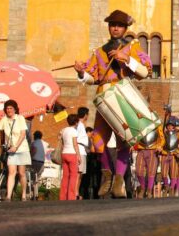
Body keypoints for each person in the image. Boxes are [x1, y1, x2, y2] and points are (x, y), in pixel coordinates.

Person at [73, 10, 152, 198]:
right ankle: (107, 176)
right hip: (104, 98)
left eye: (119, 25)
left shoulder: (132, 47)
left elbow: (145, 71)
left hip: (123, 95)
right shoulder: (99, 51)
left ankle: (118, 181)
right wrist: (81, 73)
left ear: (125, 28)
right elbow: (93, 77)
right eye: (112, 25)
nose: (115, 28)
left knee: (124, 139)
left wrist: (127, 59)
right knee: (99, 140)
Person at [0, 100, 31, 201]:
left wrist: (16, 146)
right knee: (11, 172)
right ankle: (8, 196)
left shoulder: (20, 118)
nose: (9, 110)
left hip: (21, 149)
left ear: (15, 109)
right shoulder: (4, 119)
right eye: (7, 108)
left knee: (21, 173)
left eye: (11, 108)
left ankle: (24, 194)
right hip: (11, 150)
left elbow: (23, 134)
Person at [60, 114, 82, 200]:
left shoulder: (63, 130)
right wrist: (79, 155)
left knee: (65, 176)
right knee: (73, 176)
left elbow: (62, 143)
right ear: (76, 122)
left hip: (64, 153)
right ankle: (71, 197)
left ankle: (63, 197)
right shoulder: (74, 131)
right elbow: (75, 144)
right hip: (72, 154)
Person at [75, 107, 90, 199]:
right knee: (78, 173)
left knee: (79, 174)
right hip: (80, 150)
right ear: (85, 115)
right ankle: (76, 193)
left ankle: (76, 191)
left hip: (81, 149)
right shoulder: (79, 125)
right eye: (88, 114)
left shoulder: (80, 124)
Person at [30, 130, 48, 200]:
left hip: (35, 162)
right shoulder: (45, 143)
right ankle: (36, 193)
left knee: (32, 179)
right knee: (37, 179)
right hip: (42, 163)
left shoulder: (34, 143)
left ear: (34, 136)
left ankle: (32, 194)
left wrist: (29, 158)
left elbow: (33, 151)